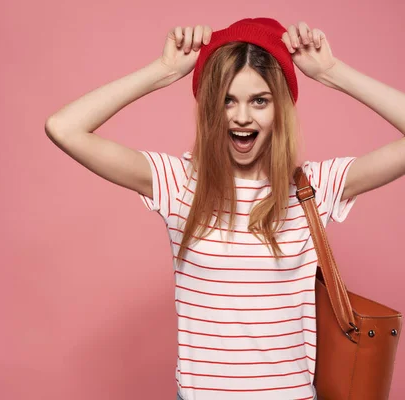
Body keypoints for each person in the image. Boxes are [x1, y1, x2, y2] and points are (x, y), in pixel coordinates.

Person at [45, 17, 405, 400]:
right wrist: (161, 71)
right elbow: (64, 127)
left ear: (280, 108)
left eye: (259, 100)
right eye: (226, 100)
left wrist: (334, 73)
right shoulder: (178, 183)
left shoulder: (313, 188)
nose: (242, 117)